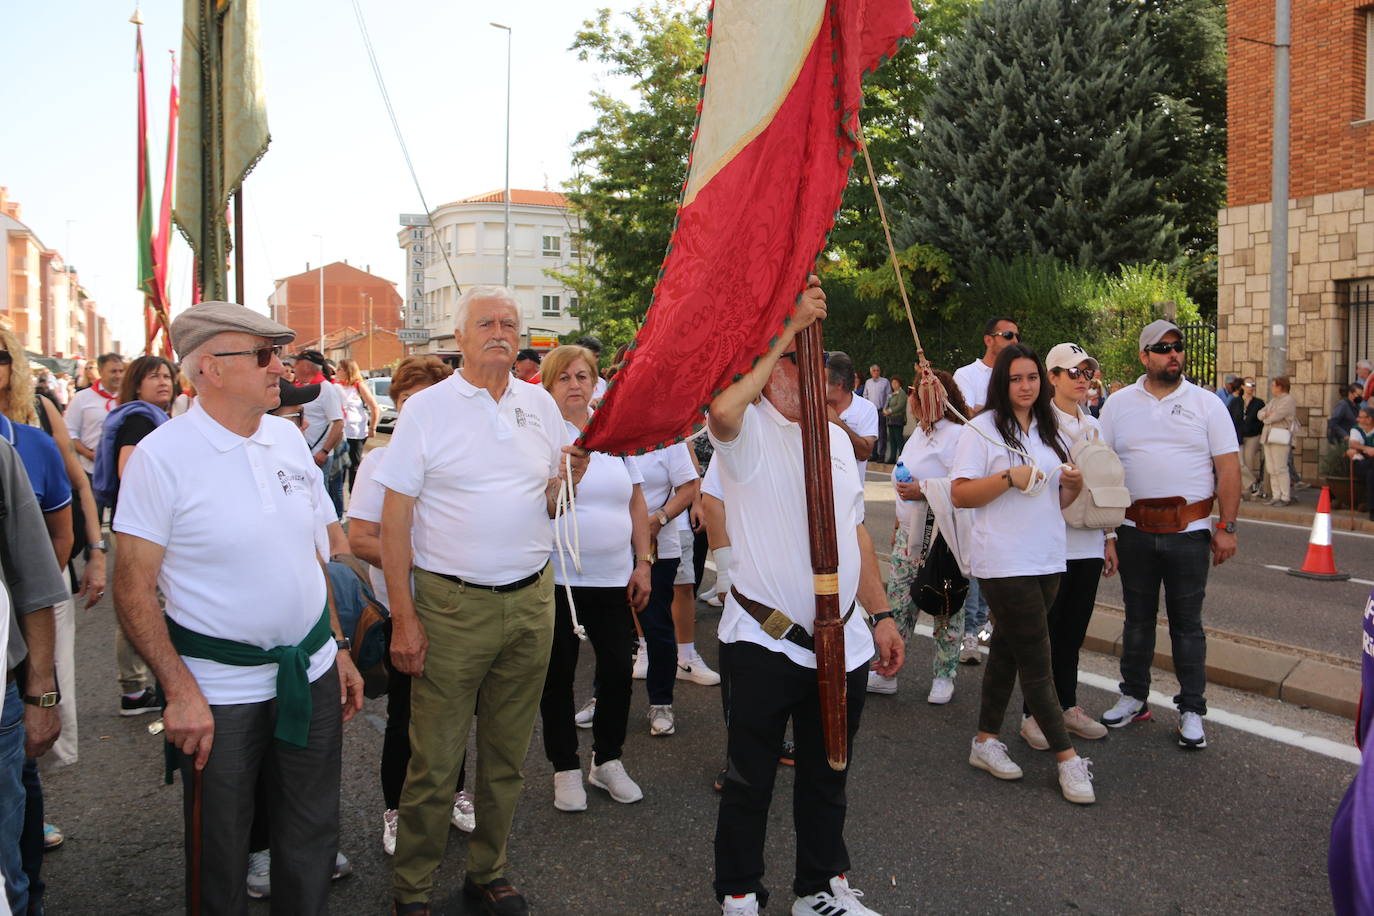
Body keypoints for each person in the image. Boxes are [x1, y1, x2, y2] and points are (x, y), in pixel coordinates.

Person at [113, 301, 364, 915]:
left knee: (310, 832)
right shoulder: (161, 456)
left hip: (310, 668)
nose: (279, 366)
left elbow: (309, 557)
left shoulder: (285, 436)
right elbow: (132, 586)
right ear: (210, 370)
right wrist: (178, 689)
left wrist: (340, 650)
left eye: (277, 353)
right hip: (218, 688)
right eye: (263, 355)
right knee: (220, 847)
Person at [376, 285, 586, 916]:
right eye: (486, 323)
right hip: (449, 607)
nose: (500, 331)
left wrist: (567, 480)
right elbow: (394, 522)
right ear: (459, 337)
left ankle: (487, 870)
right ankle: (412, 889)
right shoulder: (428, 410)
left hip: (531, 600)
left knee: (505, 756)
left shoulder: (541, 407)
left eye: (510, 323)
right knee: (435, 761)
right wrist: (404, 619)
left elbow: (548, 504)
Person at [709, 276, 903, 916]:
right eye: (798, 360)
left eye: (817, 361)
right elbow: (721, 413)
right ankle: (739, 892)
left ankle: (820, 888)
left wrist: (881, 615)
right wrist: (787, 330)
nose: (813, 373)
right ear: (769, 369)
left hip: (841, 639)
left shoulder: (836, 444)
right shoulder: (747, 435)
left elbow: (858, 540)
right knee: (749, 779)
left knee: (829, 774)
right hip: (765, 640)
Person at [949, 342, 1095, 805]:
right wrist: (1008, 478)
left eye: (1032, 377)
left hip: (1048, 558)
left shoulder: (1051, 430)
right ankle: (1067, 759)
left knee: (1010, 652)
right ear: (1002, 383)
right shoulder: (983, 428)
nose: (1026, 386)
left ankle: (985, 740)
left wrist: (1070, 487)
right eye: (1016, 378)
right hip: (1004, 561)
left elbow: (1056, 503)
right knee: (1038, 658)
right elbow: (960, 494)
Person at [346, 356, 475, 856]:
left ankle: (456, 793)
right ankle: (397, 809)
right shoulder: (379, 461)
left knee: (457, 710)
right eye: (407, 400)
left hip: (461, 608)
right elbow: (360, 539)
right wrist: (426, 559)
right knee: (405, 715)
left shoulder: (460, 458)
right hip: (407, 606)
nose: (417, 410)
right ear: (397, 405)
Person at [1099, 319, 1240, 750]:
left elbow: (1229, 467)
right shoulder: (1118, 404)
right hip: (1133, 531)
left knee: (1187, 627)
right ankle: (1134, 696)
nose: (1172, 354)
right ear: (1144, 356)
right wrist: (1107, 535)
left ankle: (1192, 709)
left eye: (1176, 347)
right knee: (1137, 621)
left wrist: (1227, 526)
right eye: (1162, 348)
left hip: (1189, 533)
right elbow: (1100, 469)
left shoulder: (1207, 404)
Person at [536, 345, 652, 812]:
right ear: (548, 386)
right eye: (564, 377)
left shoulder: (615, 436)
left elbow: (637, 502)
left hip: (613, 577)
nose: (575, 384)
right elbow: (540, 503)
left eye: (583, 375)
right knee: (557, 676)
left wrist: (643, 561)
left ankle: (607, 760)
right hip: (558, 578)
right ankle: (564, 768)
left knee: (618, 672)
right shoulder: (540, 438)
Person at [0, 353, 73, 914]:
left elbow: (38, 575)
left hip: (4, 687)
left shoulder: (15, 449)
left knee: (8, 872)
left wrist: (41, 694)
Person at [1016, 344, 1115, 749]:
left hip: (1089, 541)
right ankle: (1033, 713)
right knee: (1046, 633)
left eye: (1085, 372)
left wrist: (1110, 537)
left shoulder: (1094, 426)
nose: (1080, 379)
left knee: (1073, 632)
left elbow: (1105, 486)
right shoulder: (1038, 426)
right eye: (1070, 372)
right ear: (1051, 377)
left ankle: (1067, 705)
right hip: (1051, 544)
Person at [875, 368, 968, 703]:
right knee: (899, 603)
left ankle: (944, 675)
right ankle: (889, 669)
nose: (911, 398)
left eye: (916, 392)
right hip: (908, 534)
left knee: (945, 604)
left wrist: (924, 490)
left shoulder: (958, 435)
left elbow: (963, 486)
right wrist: (899, 524)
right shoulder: (918, 434)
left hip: (942, 537)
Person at [97, 355, 177, 716]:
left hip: (138, 525)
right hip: (142, 529)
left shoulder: (148, 417)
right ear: (137, 384)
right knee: (143, 603)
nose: (163, 382)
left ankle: (138, 686)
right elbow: (129, 469)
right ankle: (134, 689)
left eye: (167, 376)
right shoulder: (141, 419)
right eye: (154, 377)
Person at [954, 319, 1019, 665]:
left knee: (1001, 558)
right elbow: (966, 416)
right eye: (1007, 335)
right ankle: (972, 632)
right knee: (977, 558)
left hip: (1012, 480)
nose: (1013, 340)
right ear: (988, 338)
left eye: (1016, 336)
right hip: (979, 476)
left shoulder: (1014, 376)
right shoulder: (968, 374)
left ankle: (987, 629)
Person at [626, 441, 700, 736]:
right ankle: (600, 697)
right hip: (611, 547)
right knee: (609, 630)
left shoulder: (668, 435)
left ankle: (661, 702)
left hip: (659, 546)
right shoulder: (607, 427)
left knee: (657, 626)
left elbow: (688, 486)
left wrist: (660, 517)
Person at [292, 350, 345, 515]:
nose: (293, 368)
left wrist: (324, 451)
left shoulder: (326, 389)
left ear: (306, 366)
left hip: (317, 456)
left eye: (296, 364)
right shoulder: (300, 387)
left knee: (320, 500)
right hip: (301, 453)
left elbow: (338, 423)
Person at [64, 352, 124, 480]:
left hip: (121, 470)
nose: (118, 375)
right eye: (113, 371)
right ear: (101, 372)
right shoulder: (82, 398)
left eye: (121, 371)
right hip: (92, 470)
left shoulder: (128, 398)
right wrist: (89, 454)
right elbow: (69, 432)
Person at [822, 351, 878, 483]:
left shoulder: (866, 409)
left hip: (850, 500)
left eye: (822, 380)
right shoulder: (812, 407)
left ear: (839, 384)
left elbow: (864, 453)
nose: (816, 385)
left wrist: (836, 422)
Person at [333, 358, 379, 494]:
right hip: (340, 432)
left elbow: (374, 407)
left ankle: (354, 495)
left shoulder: (358, 386)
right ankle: (339, 496)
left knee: (354, 465)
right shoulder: (335, 386)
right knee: (339, 466)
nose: (337, 371)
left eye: (340, 369)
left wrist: (373, 427)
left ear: (348, 371)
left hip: (356, 431)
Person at [1258, 376, 1297, 507]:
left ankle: (1285, 496)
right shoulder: (1274, 400)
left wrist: (1267, 416)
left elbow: (1275, 416)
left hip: (1280, 437)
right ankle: (1276, 495)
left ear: (1280, 386)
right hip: (1268, 437)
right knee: (1271, 468)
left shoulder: (1288, 400)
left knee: (1280, 468)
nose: (1272, 388)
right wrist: (1267, 415)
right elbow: (1260, 413)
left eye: (1274, 385)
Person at [1232, 377, 1266, 498]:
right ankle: (1253, 482)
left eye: (1253, 384)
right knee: (1240, 463)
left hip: (1253, 436)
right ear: (1242, 386)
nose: (1250, 387)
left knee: (1249, 460)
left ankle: (1245, 490)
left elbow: (1261, 420)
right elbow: (1229, 417)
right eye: (1248, 384)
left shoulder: (1259, 403)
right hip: (1238, 436)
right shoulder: (1235, 402)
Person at [1346, 407, 1374, 517]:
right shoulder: (1356, 429)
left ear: (1369, 419)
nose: (1358, 419)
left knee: (1372, 475)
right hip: (1360, 464)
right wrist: (1367, 449)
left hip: (1371, 464)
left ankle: (1372, 509)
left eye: (1361, 417)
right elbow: (1353, 444)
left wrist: (1361, 449)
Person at [862, 365, 889, 460]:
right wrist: (868, 407)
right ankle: (873, 454)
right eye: (874, 371)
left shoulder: (885, 382)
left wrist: (885, 408)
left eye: (877, 370)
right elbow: (865, 395)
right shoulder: (868, 382)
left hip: (881, 410)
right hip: (871, 411)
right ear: (871, 372)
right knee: (873, 433)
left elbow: (888, 396)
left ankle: (881, 455)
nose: (876, 372)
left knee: (882, 434)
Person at [881, 375, 907, 464]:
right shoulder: (892, 394)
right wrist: (885, 410)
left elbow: (900, 405)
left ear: (899, 384)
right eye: (892, 383)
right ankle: (892, 457)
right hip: (890, 419)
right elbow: (888, 403)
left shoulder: (902, 393)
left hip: (898, 418)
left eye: (896, 383)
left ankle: (902, 457)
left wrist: (890, 411)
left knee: (898, 439)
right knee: (892, 439)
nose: (893, 384)